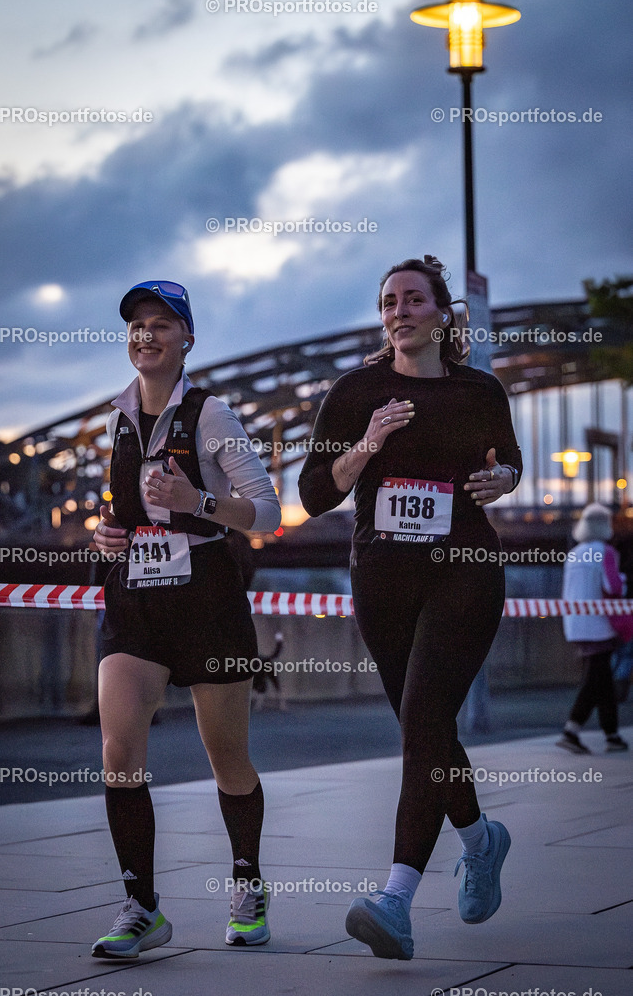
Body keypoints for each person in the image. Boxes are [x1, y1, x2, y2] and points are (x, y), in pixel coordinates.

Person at [298, 255, 522, 961]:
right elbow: (313, 494)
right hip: (384, 578)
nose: (400, 311)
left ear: (442, 313)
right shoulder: (356, 390)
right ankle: (481, 840)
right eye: (389, 301)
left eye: (414, 300)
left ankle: (394, 898)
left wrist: (501, 478)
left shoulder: (479, 390)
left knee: (423, 722)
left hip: (465, 571)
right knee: (425, 732)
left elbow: (511, 461)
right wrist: (367, 445)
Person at [91, 280, 281, 958]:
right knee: (118, 754)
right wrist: (107, 535)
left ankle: (247, 883)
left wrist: (196, 499)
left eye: (162, 324)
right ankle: (141, 905)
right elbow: (119, 513)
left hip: (207, 597)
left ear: (187, 339)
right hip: (135, 596)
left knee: (226, 756)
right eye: (138, 325)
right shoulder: (114, 419)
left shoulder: (211, 416)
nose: (147, 335)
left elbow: (267, 514)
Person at [558, 502, 629, 754]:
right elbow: (613, 588)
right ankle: (571, 730)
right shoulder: (605, 552)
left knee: (603, 679)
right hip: (599, 624)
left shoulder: (574, 553)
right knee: (595, 679)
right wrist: (622, 579)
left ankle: (612, 735)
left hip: (575, 622)